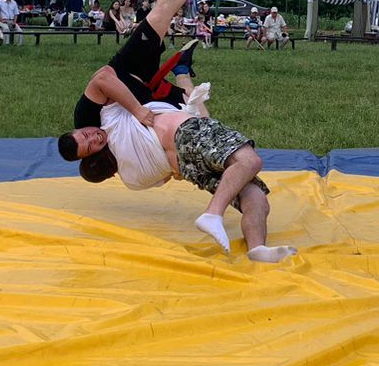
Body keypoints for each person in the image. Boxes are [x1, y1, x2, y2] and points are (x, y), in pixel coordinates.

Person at [88, 87, 296, 263]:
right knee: (250, 161)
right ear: (99, 150)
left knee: (255, 197)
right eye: (87, 139)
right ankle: (213, 214)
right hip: (187, 132)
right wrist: (138, 108)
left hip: (187, 166)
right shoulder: (113, 126)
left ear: (110, 175)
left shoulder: (132, 179)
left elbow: (169, 175)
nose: (92, 135)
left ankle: (257, 248)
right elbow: (104, 78)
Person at [57, 0, 211, 164]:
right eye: (91, 146)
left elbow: (102, 78)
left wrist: (137, 110)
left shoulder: (84, 116)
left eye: (86, 135)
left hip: (126, 70)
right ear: (91, 155)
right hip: (148, 97)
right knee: (200, 118)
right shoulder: (108, 153)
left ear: (77, 130)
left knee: (159, 15)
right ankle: (183, 72)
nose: (95, 137)